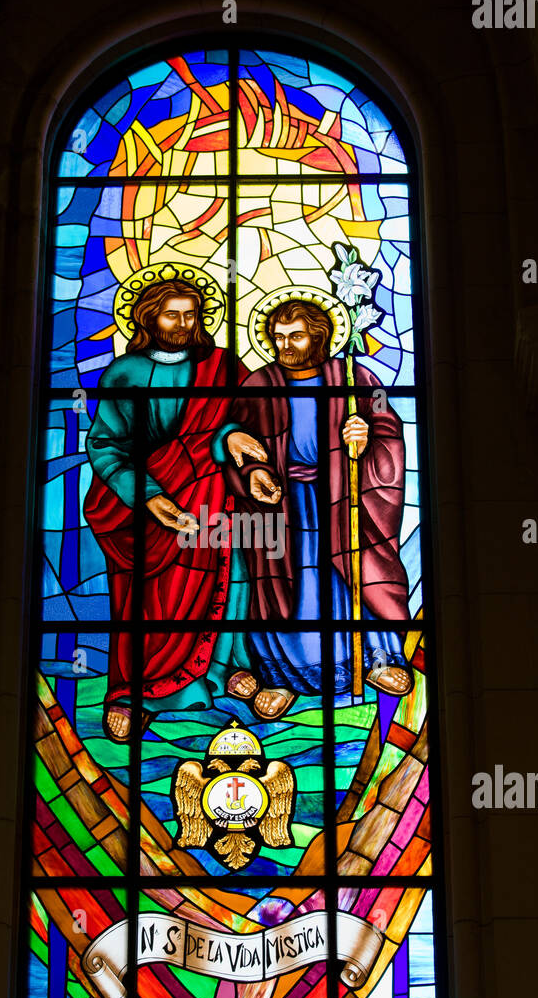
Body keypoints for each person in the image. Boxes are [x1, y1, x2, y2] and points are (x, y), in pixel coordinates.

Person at [82, 278, 265, 741]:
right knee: (146, 602)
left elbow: (249, 420)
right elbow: (105, 446)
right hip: (143, 505)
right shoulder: (124, 374)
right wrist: (148, 495)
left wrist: (233, 440)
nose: (183, 325)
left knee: (227, 578)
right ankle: (134, 692)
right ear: (147, 318)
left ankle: (225, 669)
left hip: (213, 493)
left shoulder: (223, 367)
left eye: (191, 314)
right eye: (172, 315)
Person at [223, 298, 413, 719]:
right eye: (278, 337)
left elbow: (386, 424)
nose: (285, 345)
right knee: (284, 589)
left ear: (320, 336)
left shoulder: (355, 376)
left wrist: (367, 436)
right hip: (281, 503)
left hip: (343, 496)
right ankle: (284, 677)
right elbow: (235, 439)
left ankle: (376, 660)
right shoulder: (260, 384)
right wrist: (250, 464)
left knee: (349, 577)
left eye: (296, 336)